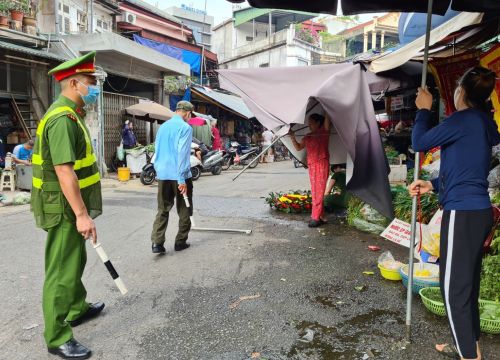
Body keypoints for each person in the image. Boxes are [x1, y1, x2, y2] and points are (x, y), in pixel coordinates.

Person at [409, 67, 498, 360]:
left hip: (463, 213)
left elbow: (419, 143)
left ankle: (469, 356)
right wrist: (432, 184)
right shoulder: (484, 123)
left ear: (461, 92)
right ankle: (470, 348)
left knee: (453, 291)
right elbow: (467, 169)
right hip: (477, 212)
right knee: (466, 287)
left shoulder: (464, 119)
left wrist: (424, 110)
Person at [30, 51, 104, 359]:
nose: (94, 87)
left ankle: (76, 308)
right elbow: (64, 170)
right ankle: (57, 336)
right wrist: (81, 214)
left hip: (67, 205)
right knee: (62, 269)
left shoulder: (72, 114)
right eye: (90, 82)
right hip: (62, 207)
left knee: (75, 260)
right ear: (74, 83)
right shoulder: (62, 119)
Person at [151, 100, 194, 255]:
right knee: (184, 208)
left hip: (163, 174)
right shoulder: (185, 127)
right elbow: (182, 153)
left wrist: (158, 170)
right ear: (188, 113)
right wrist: (181, 179)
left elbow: (156, 150)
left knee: (163, 208)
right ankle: (180, 242)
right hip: (178, 174)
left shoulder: (163, 127)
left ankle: (157, 243)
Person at [290, 113, 331, 227]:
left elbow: (327, 117)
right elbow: (298, 148)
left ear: (318, 123)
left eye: (311, 123)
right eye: (308, 123)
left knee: (319, 191)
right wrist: (292, 136)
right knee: (315, 191)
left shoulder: (324, 131)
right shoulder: (307, 137)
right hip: (312, 165)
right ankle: (321, 215)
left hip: (322, 163)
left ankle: (315, 217)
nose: (309, 125)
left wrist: (325, 102)